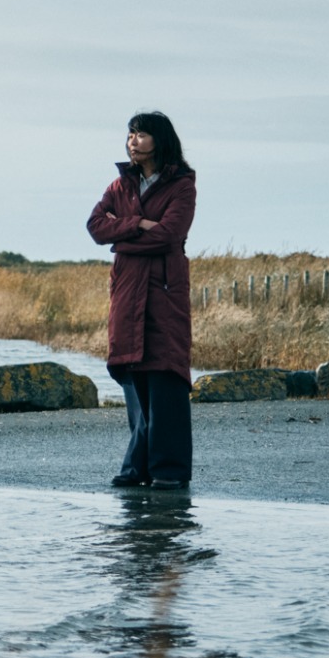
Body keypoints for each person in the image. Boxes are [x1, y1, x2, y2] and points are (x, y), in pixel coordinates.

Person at [86, 111, 197, 490]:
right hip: (127, 288)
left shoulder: (182, 184)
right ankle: (138, 466)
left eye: (141, 134)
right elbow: (96, 226)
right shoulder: (121, 184)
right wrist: (136, 225)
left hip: (164, 290)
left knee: (165, 374)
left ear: (160, 139)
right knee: (134, 376)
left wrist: (125, 236)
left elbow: (169, 234)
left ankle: (169, 469)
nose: (133, 140)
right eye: (130, 134)